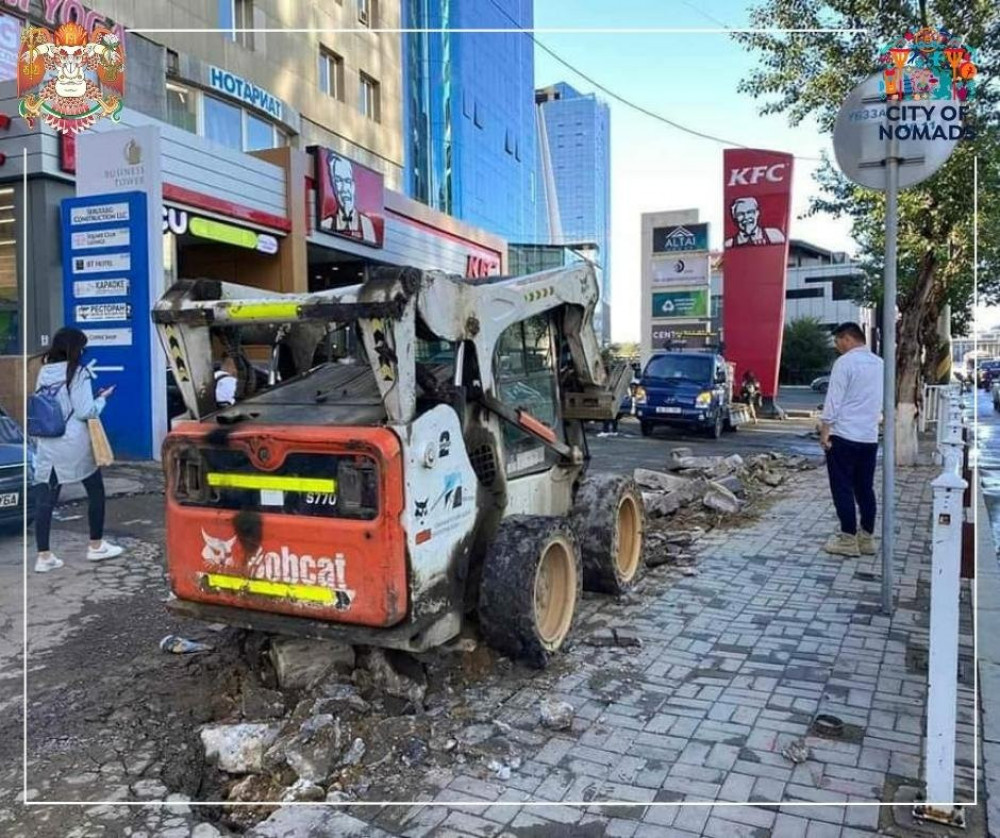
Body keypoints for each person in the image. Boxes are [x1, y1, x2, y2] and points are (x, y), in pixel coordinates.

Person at [33, 327, 123, 573]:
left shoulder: (44, 371)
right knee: (95, 491)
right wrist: (102, 398)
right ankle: (96, 545)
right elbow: (85, 411)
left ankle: (44, 556)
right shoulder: (79, 372)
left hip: (48, 444)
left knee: (46, 500)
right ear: (76, 348)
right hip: (73, 444)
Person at [819, 322, 884, 557]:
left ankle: (848, 539)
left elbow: (834, 400)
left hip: (844, 435)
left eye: (838, 342)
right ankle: (867, 538)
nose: (837, 347)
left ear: (847, 339)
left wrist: (825, 431)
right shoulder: (880, 364)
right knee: (865, 488)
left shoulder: (844, 363)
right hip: (869, 437)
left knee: (842, 487)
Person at [324, 152, 377, 244]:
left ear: (353, 186)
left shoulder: (366, 225)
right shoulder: (326, 224)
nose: (344, 188)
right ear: (333, 185)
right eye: (338, 181)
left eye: (347, 181)